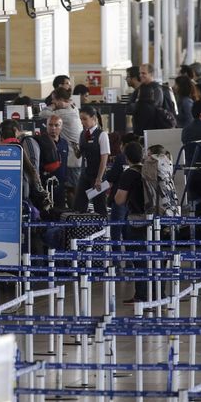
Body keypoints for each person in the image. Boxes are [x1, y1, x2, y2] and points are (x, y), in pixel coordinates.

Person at [112, 141, 147, 303]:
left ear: (126, 157)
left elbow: (119, 200)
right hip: (153, 220)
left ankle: (141, 295)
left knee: (138, 259)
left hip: (136, 221)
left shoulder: (130, 173)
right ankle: (157, 294)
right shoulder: (148, 170)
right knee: (152, 258)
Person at [73, 106, 110, 216]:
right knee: (79, 205)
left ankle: (103, 231)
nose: (82, 122)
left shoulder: (102, 135)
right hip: (85, 174)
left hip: (97, 174)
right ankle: (81, 230)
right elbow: (79, 155)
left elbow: (104, 158)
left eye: (84, 119)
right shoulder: (82, 134)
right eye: (81, 119)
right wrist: (75, 148)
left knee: (99, 205)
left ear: (93, 118)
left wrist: (99, 178)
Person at [45, 115, 69, 208]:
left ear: (61, 127)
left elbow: (65, 162)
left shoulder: (64, 143)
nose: (53, 128)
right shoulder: (41, 142)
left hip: (61, 184)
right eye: (50, 125)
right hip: (46, 184)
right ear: (46, 126)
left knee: (60, 211)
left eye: (56, 125)